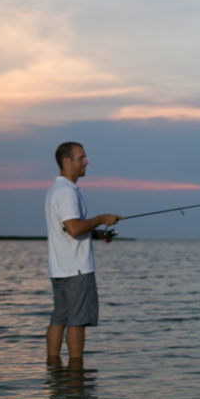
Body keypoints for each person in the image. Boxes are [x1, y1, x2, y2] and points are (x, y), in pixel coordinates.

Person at [45, 142, 121, 366]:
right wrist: (101, 218)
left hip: (60, 268)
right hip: (76, 269)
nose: (86, 162)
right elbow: (74, 228)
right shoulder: (66, 192)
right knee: (77, 321)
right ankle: (76, 376)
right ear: (66, 161)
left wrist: (99, 233)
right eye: (81, 158)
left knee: (59, 318)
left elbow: (68, 228)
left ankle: (53, 369)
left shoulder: (56, 190)